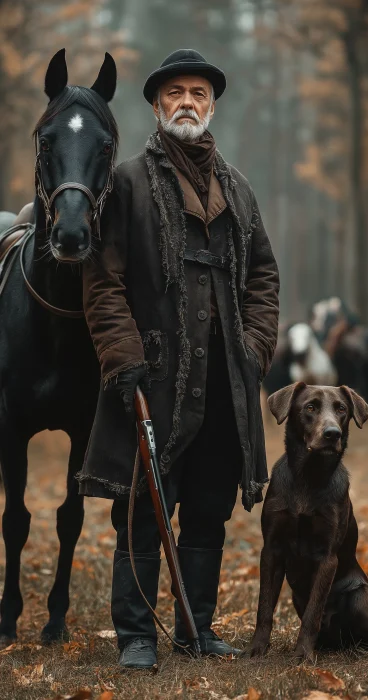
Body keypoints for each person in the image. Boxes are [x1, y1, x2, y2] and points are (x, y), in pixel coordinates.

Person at [78, 49, 280, 669]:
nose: (186, 102)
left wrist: (252, 348)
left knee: (210, 508)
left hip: (226, 380)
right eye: (174, 94)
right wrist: (122, 354)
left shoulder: (238, 190)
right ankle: (137, 635)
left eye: (197, 92)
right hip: (153, 378)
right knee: (142, 507)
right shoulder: (128, 182)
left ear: (211, 104)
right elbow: (102, 280)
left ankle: (197, 629)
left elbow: (264, 277)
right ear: (157, 106)